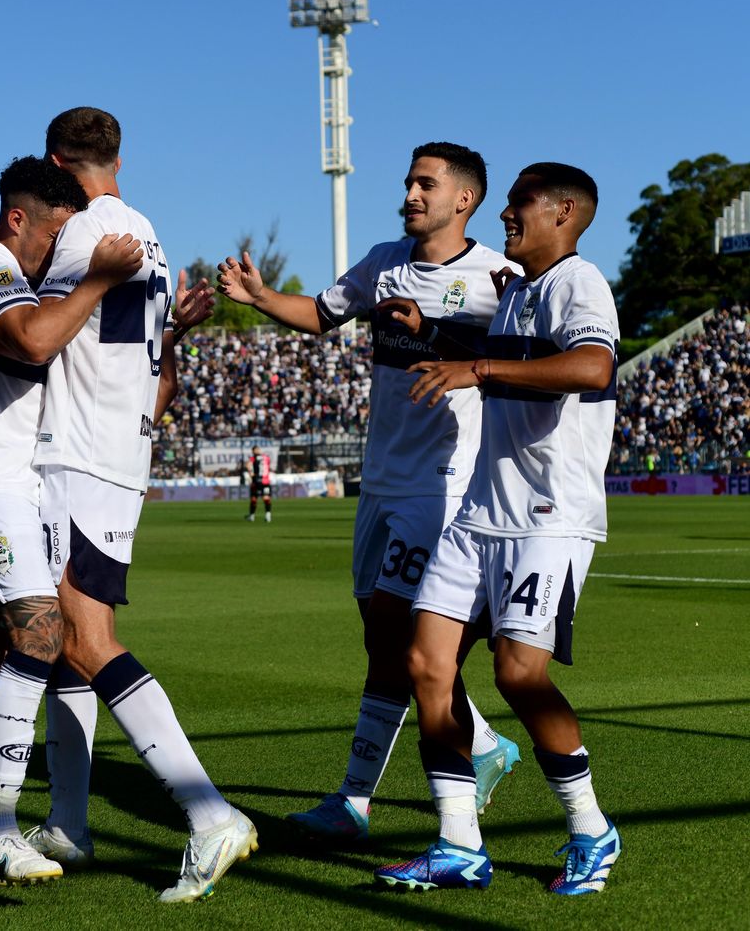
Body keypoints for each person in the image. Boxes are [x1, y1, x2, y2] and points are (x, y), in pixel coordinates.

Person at [216, 142, 520, 842]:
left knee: (392, 629)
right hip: (380, 480)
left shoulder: (494, 277)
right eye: (409, 181)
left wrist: (436, 333)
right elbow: (322, 313)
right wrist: (262, 298)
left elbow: (517, 360)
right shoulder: (384, 261)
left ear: (464, 199)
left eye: (426, 184)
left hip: (440, 484)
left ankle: (355, 801)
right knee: (381, 637)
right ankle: (481, 743)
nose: (411, 193)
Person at [23, 107, 252, 904]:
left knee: (83, 638)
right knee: (67, 645)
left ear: (56, 163)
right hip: (119, 449)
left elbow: (38, 336)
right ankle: (69, 821)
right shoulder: (147, 232)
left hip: (78, 455)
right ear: (118, 159)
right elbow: (138, 361)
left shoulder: (79, 235)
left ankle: (210, 814)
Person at [375, 163, 622, 894]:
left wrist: (477, 370)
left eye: (520, 203)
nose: (507, 214)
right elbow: (508, 356)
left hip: (547, 518)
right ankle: (458, 844)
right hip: (481, 513)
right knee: (426, 665)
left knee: (518, 674)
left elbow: (592, 366)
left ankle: (591, 830)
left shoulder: (579, 282)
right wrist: (434, 333)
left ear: (564, 212)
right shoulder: (517, 291)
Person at [0, 154, 145, 885]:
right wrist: (98, 279)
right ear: (18, 219)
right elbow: (33, 341)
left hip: (15, 476)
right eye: (53, 236)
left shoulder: (9, 278)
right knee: (42, 631)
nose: (58, 251)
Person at [244, 444, 272, 522]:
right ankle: (268, 515)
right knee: (266, 498)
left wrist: (252, 475)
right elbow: (268, 466)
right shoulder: (266, 458)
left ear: (253, 451)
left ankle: (252, 516)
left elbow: (248, 466)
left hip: (256, 481)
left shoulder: (252, 458)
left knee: (254, 498)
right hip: (266, 481)